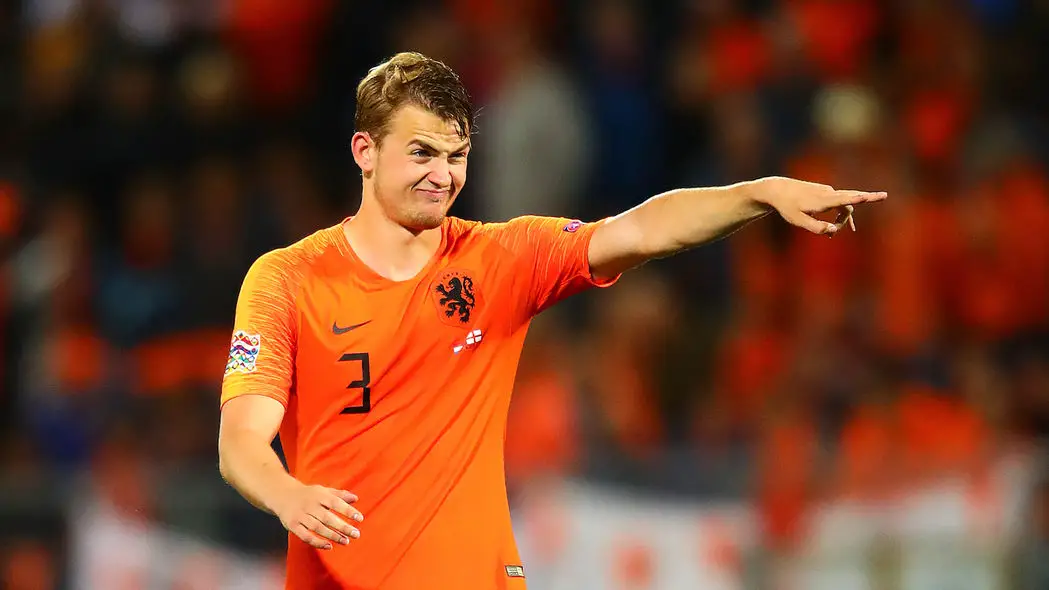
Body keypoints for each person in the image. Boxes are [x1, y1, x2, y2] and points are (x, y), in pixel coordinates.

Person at [217, 51, 886, 590]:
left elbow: (640, 230)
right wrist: (287, 495)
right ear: (365, 151)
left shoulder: (500, 260)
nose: (442, 176)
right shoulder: (288, 279)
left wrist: (756, 193)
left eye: (456, 157)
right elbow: (241, 439)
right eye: (421, 153)